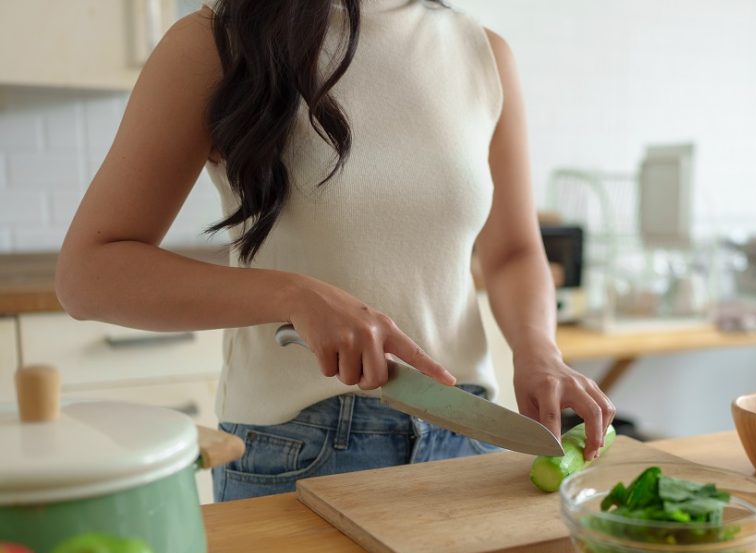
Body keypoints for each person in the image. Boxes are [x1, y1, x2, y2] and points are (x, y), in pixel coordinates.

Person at [55, 0, 615, 501]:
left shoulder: (481, 53)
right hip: (298, 451)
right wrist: (293, 294)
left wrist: (539, 349)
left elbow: (514, 250)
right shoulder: (215, 42)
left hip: (471, 433)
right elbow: (88, 273)